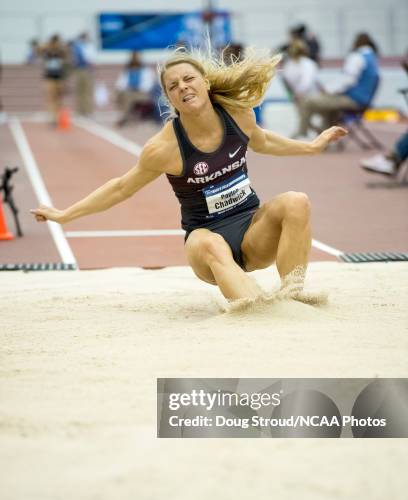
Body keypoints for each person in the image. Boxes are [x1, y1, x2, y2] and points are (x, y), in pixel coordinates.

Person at [30, 46, 346, 304]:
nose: (182, 87)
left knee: (296, 201)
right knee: (211, 246)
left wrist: (311, 146)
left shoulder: (238, 115)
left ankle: (292, 296)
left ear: (205, 82)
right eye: (173, 86)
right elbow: (121, 188)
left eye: (188, 79)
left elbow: (263, 141)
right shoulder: (164, 148)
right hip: (206, 241)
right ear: (170, 98)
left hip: (252, 232)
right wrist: (65, 215)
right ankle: (255, 309)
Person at [297, 32, 380, 137]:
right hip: (362, 100)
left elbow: (348, 80)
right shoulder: (372, 58)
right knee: (327, 107)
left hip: (353, 100)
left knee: (307, 101)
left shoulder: (357, 57)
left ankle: (302, 135)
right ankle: (324, 136)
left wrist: (328, 90)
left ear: (356, 42)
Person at [281, 39, 321, 138]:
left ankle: (304, 130)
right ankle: (309, 130)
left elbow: (288, 81)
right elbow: (306, 82)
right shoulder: (308, 63)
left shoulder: (289, 65)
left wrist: (295, 94)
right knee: (303, 114)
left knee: (303, 114)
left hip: (305, 95)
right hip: (302, 95)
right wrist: (296, 94)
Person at [115, 52, 156, 126]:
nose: (135, 60)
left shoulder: (145, 70)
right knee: (124, 95)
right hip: (129, 91)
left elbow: (148, 84)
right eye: (134, 58)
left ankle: (125, 117)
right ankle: (126, 116)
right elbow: (120, 83)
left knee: (127, 97)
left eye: (137, 58)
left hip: (142, 93)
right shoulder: (127, 70)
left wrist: (137, 88)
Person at [39, 34, 69, 125]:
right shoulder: (47, 51)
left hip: (59, 78)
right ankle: (52, 118)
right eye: (55, 41)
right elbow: (39, 50)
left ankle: (58, 117)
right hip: (49, 79)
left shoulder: (61, 51)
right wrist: (49, 45)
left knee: (59, 99)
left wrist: (59, 46)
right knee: (50, 99)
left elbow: (66, 52)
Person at [71, 32, 96, 116]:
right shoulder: (77, 47)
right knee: (80, 91)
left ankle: (88, 111)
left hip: (87, 70)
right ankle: (80, 111)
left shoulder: (90, 46)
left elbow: (91, 59)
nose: (83, 40)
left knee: (87, 91)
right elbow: (74, 59)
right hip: (79, 70)